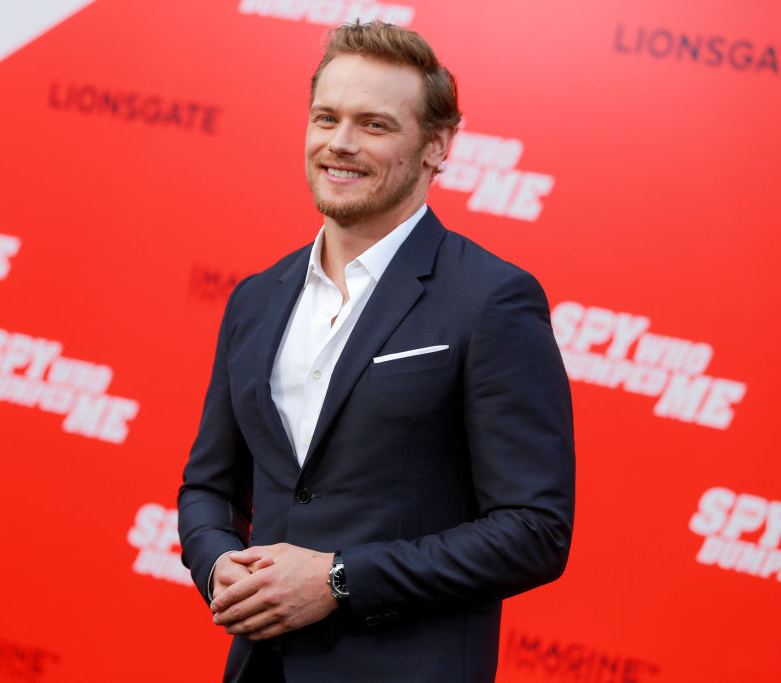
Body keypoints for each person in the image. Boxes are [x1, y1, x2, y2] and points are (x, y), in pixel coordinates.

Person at [178, 20, 575, 683]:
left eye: (374, 125)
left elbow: (535, 530)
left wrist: (338, 579)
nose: (340, 142)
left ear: (436, 146)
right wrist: (218, 562)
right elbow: (210, 487)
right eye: (326, 117)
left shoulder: (491, 300)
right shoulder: (255, 298)